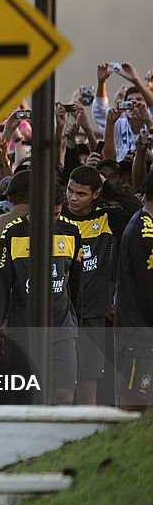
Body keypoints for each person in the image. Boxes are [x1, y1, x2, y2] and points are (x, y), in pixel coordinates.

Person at [0, 197, 84, 405]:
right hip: (25, 328)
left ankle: (61, 437)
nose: (51, 220)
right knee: (29, 395)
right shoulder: (13, 232)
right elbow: (2, 283)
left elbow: (76, 280)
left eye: (56, 214)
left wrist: (76, 317)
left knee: (63, 393)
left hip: (62, 327)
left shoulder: (71, 231)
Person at [60, 166, 129, 405]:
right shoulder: (59, 218)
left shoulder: (106, 218)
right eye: (70, 190)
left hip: (93, 314)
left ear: (96, 194)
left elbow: (138, 210)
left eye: (81, 193)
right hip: (62, 315)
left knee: (88, 383)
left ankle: (86, 436)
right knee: (59, 386)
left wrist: (108, 186)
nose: (72, 198)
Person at [114, 170, 153, 412]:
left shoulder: (144, 223)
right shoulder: (145, 231)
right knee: (133, 411)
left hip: (141, 336)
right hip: (139, 338)